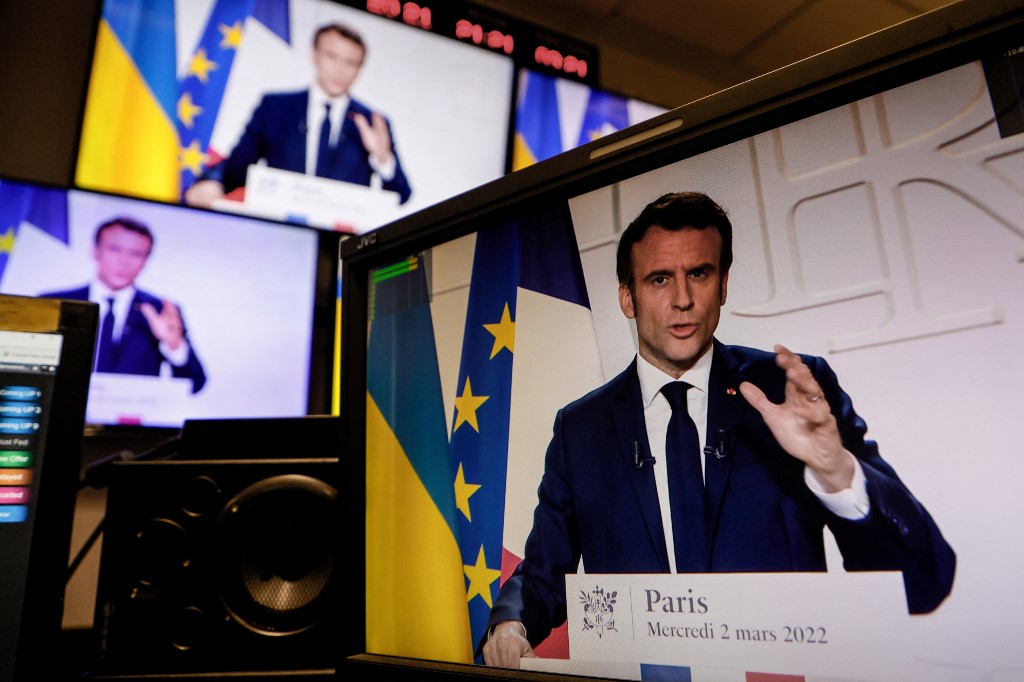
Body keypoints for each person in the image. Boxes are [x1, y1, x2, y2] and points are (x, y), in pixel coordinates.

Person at [482, 192, 955, 668]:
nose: (683, 299)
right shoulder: (579, 429)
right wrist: (510, 623)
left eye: (700, 274)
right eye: (660, 279)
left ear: (723, 284)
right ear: (627, 296)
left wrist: (836, 471)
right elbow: (544, 574)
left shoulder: (791, 390)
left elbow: (922, 582)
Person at [185, 22, 412, 208]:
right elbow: (237, 166)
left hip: (340, 247)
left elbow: (401, 195)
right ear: (314, 55)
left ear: (359, 69)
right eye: (332, 56)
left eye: (350, 62)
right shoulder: (275, 107)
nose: (340, 69)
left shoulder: (373, 122)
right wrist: (212, 182)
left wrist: (383, 160)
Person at [42, 217, 206, 394]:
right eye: (115, 249)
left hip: (128, 419)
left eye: (135, 253)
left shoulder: (162, 311)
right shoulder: (54, 303)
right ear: (95, 251)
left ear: (145, 260)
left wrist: (173, 345)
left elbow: (195, 384)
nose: (124, 261)